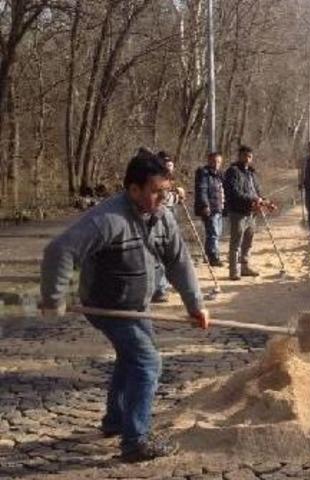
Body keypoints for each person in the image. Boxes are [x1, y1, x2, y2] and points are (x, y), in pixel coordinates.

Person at [39, 149, 210, 463]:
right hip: (107, 307)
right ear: (134, 190)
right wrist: (53, 299)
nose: (163, 198)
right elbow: (59, 250)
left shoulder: (162, 217)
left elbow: (178, 262)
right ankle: (135, 442)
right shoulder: (108, 219)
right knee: (147, 364)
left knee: (131, 358)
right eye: (157, 192)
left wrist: (195, 305)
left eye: (166, 191)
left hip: (137, 305)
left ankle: (116, 420)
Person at [224, 145, 271, 280]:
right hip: (238, 212)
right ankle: (234, 271)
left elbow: (257, 191)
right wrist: (253, 199)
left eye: (249, 156)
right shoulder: (232, 172)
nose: (247, 159)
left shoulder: (252, 173)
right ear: (239, 156)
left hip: (252, 212)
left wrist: (265, 201)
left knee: (248, 242)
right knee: (236, 242)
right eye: (244, 156)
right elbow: (234, 192)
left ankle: (245, 266)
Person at [152, 151, 186, 303]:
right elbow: (163, 198)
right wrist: (177, 196)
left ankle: (163, 285)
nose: (170, 168)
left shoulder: (169, 179)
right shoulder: (155, 178)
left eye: (171, 165)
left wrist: (179, 194)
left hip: (169, 216)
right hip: (157, 218)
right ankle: (159, 289)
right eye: (167, 165)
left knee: (168, 253)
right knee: (158, 254)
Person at [194, 152, 225, 266]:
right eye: (214, 161)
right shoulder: (204, 174)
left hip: (219, 207)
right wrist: (205, 205)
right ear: (209, 161)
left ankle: (208, 254)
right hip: (210, 208)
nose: (216, 164)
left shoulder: (219, 175)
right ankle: (214, 257)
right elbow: (202, 190)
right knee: (213, 233)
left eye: (218, 162)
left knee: (217, 233)